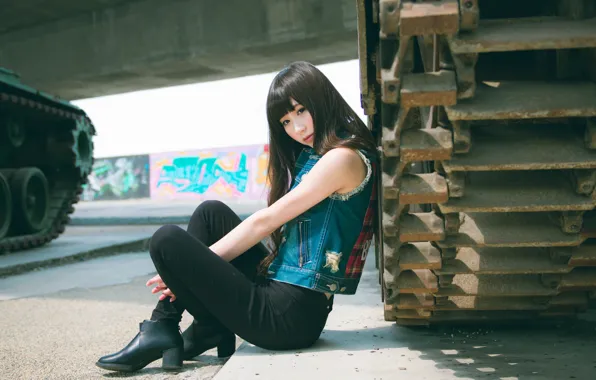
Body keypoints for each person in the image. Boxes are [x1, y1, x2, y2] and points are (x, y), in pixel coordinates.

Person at [95, 61, 378, 373]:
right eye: (285, 121)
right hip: (283, 293)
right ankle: (201, 328)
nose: (297, 128)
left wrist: (186, 269)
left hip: (290, 318)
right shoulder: (321, 155)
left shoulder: (342, 158)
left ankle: (164, 324)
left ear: (321, 98)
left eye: (300, 110)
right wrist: (192, 269)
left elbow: (265, 221)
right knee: (210, 214)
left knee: (167, 241)